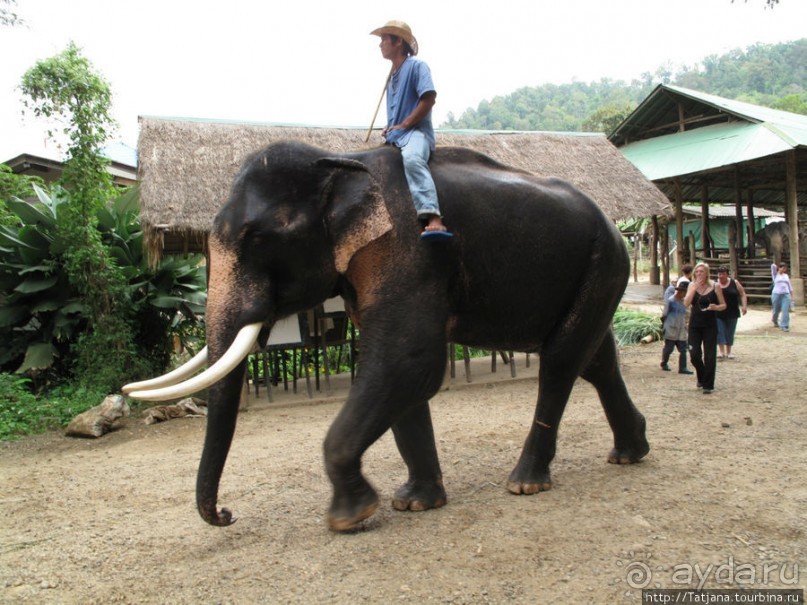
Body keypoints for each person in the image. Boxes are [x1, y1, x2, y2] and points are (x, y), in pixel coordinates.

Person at [371, 20, 451, 240]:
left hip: (415, 135)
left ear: (398, 42)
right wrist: (392, 126)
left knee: (413, 159)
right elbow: (396, 114)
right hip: (396, 136)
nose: (380, 45)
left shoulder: (417, 66)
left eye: (384, 39)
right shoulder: (391, 77)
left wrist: (406, 124)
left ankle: (433, 217)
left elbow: (428, 98)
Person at [684, 262, 726, 394]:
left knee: (709, 355)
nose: (699, 274)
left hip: (710, 325)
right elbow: (685, 303)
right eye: (697, 271)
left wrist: (716, 307)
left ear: (707, 273)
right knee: (694, 354)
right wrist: (693, 289)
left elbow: (724, 305)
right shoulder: (691, 285)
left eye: (701, 271)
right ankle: (701, 376)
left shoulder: (715, 286)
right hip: (695, 325)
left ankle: (708, 384)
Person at [660, 278, 693, 375]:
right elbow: (664, 314)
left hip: (681, 328)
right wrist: (664, 327)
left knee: (683, 349)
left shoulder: (685, 302)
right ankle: (664, 362)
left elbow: (687, 315)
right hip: (671, 328)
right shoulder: (670, 301)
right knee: (669, 348)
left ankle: (683, 367)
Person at [715, 266, 748, 359]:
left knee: (730, 331)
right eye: (719, 274)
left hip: (732, 312)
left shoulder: (735, 283)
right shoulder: (715, 284)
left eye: (723, 274)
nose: (721, 276)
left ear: (727, 275)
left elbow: (742, 294)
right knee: (720, 331)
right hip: (719, 312)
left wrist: (744, 306)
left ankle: (729, 351)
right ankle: (721, 351)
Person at [771, 262, 794, 332]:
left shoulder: (786, 276)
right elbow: (773, 267)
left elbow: (789, 286)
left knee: (785, 310)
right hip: (776, 294)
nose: (784, 269)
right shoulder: (775, 275)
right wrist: (777, 267)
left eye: (785, 268)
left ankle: (784, 325)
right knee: (776, 310)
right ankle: (775, 320)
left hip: (785, 294)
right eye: (782, 267)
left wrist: (791, 296)